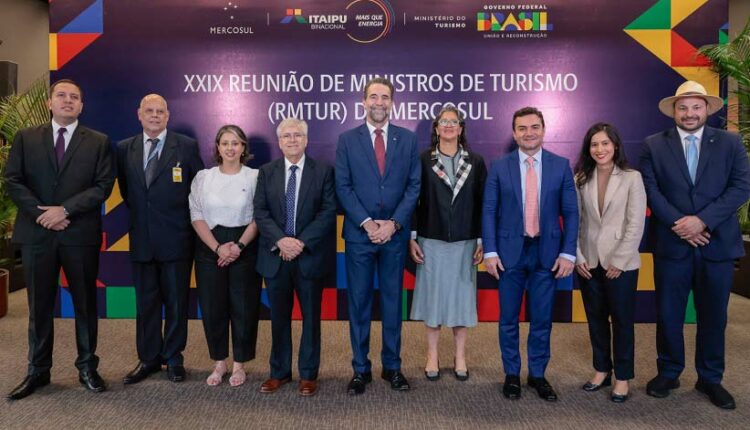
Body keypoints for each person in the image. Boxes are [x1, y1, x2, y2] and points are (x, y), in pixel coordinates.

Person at [640, 80, 750, 409]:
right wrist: (681, 224)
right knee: (668, 314)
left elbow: (741, 186)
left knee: (714, 316)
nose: (689, 113)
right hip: (671, 245)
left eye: (696, 107)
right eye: (683, 107)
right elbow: (650, 190)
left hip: (717, 245)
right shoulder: (653, 144)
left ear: (707, 109)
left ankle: (710, 378)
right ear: (674, 111)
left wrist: (702, 221)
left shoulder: (730, 143)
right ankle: (669, 372)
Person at [5, 79, 115, 400]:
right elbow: (13, 180)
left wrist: (64, 210)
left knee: (85, 303)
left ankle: (87, 367)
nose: (68, 100)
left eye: (74, 97)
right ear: (50, 103)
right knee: (39, 305)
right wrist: (43, 214)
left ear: (82, 105)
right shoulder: (26, 138)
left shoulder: (98, 141)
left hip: (79, 233)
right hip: (38, 233)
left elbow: (103, 186)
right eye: (62, 95)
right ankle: (38, 370)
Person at [482, 106, 578, 402]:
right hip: (509, 253)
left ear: (543, 130)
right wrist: (490, 251)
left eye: (534, 127)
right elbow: (489, 210)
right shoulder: (500, 166)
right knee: (508, 319)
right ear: (514, 134)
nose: (529, 133)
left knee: (542, 319)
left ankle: (537, 375)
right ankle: (511, 374)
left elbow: (571, 213)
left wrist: (568, 253)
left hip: (546, 253)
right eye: (522, 128)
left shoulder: (561, 165)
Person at [335, 77, 421, 395]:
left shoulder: (407, 140)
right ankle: (361, 369)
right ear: (364, 101)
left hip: (394, 237)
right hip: (360, 236)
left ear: (392, 103)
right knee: (358, 303)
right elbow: (343, 186)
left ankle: (392, 367)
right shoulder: (347, 140)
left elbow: (414, 186)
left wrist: (393, 224)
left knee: (391, 303)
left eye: (385, 97)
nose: (379, 102)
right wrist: (369, 224)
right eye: (373, 96)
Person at [116, 94, 204, 384]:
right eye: (149, 111)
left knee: (177, 303)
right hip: (142, 239)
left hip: (177, 239)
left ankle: (174, 358)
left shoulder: (186, 146)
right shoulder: (124, 148)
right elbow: (129, 192)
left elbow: (197, 191)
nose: (155, 115)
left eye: (160, 111)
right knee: (146, 303)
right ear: (139, 114)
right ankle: (149, 359)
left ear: (168, 116)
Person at [253, 118, 336, 397]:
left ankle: (308, 374)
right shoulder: (266, 172)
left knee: (311, 318)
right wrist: (281, 241)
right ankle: (279, 372)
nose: (292, 140)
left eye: (297, 135)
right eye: (286, 136)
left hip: (308, 256)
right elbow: (261, 212)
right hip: (275, 257)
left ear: (306, 140)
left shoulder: (323, 171)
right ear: (279, 142)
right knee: (279, 318)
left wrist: (300, 242)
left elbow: (327, 212)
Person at [409, 106, 486, 382]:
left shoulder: (476, 162)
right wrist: (413, 237)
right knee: (433, 300)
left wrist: (481, 239)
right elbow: (413, 200)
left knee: (461, 301)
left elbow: (482, 203)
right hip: (431, 240)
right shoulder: (423, 160)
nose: (449, 125)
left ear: (461, 128)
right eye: (444, 121)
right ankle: (432, 355)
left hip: (465, 242)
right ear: (436, 128)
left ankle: (460, 356)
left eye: (454, 121)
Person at [573, 123, 646, 403]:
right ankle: (602, 370)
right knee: (596, 319)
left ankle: (623, 377)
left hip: (621, 263)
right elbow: (576, 221)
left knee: (623, 322)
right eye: (594, 144)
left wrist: (620, 259)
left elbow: (635, 223)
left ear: (615, 145)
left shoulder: (631, 178)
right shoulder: (581, 178)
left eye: (605, 143)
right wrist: (578, 256)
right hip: (588, 261)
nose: (599, 149)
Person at [189, 125, 262, 387]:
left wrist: (238, 246)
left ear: (243, 148)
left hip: (245, 245)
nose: (230, 148)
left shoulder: (254, 177)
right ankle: (219, 362)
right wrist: (217, 247)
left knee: (244, 307)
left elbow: (260, 215)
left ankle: (240, 364)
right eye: (225, 143)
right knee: (213, 306)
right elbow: (196, 214)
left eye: (236, 143)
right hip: (210, 246)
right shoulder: (203, 177)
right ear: (217, 148)